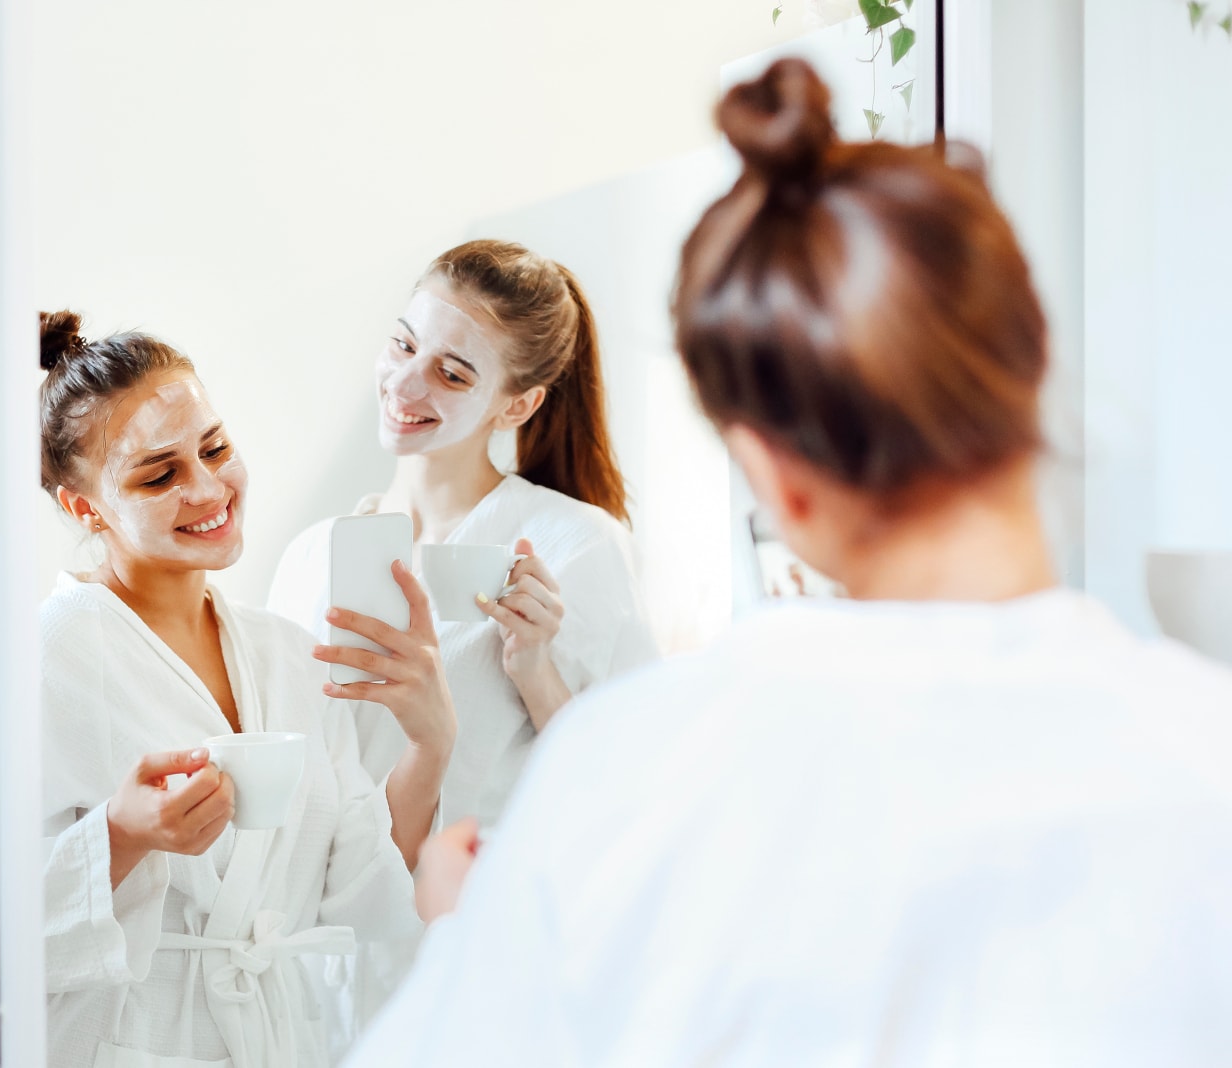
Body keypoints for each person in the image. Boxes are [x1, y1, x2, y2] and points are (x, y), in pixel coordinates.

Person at [345, 59, 1232, 1067]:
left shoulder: (637, 776)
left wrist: (476, 937)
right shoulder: (1206, 749)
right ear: (1028, 368)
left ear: (769, 468)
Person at [36, 310, 456, 1068]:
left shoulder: (288, 654)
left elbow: (362, 893)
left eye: (215, 448)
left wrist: (431, 740)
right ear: (84, 505)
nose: (207, 487)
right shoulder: (50, 655)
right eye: (159, 474)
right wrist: (122, 837)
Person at [265, 240, 659, 1040]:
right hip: (320, 973)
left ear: (516, 405)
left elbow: (631, 783)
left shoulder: (570, 546)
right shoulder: (313, 555)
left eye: (453, 372)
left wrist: (533, 667)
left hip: (481, 964)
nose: (405, 384)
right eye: (404, 345)